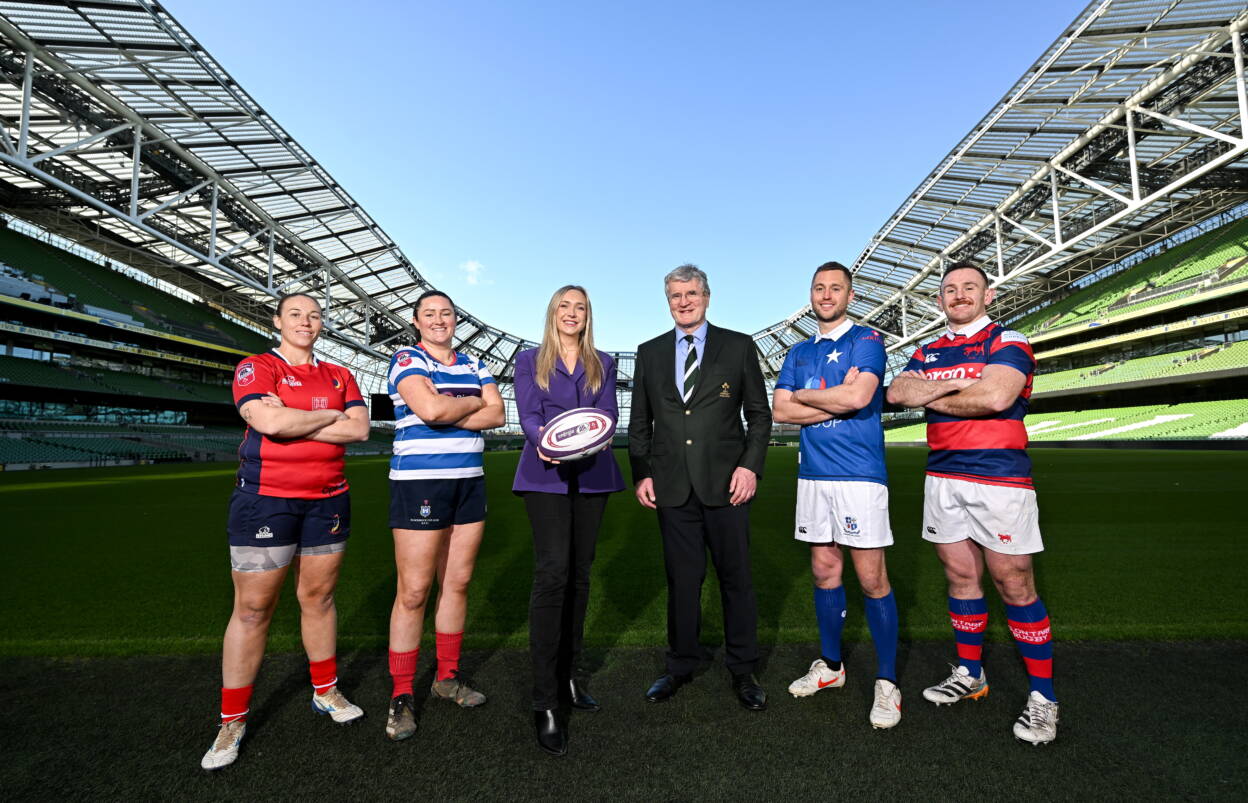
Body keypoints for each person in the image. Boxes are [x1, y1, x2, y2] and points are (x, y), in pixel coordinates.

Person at [885, 261, 1058, 745]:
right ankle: (970, 673)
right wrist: (964, 386)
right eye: (949, 290)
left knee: (1014, 581)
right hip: (942, 477)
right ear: (940, 300)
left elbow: (998, 397)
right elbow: (898, 391)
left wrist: (933, 390)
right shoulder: (928, 348)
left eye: (969, 288)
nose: (959, 295)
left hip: (1000, 479)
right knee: (961, 577)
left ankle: (1043, 698)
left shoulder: (1010, 340)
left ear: (988, 295)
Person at [201, 292, 371, 771]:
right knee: (254, 610)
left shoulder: (340, 374)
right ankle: (232, 719)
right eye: (295, 313)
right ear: (278, 321)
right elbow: (268, 421)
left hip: (329, 499)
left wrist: (296, 423)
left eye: (314, 315)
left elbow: (359, 431)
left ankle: (326, 691)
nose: (305, 321)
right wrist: (327, 416)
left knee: (318, 598)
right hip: (265, 501)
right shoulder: (257, 367)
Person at [628, 263, 771, 710]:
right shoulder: (649, 352)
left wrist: (749, 468)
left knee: (736, 580)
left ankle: (743, 669)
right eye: (675, 295)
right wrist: (643, 473)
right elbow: (639, 424)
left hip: (728, 486)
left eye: (691, 294)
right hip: (672, 487)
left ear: (707, 297)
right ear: (667, 300)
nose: (683, 302)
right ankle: (679, 665)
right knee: (682, 582)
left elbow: (760, 416)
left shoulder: (738, 346)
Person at [771, 261, 901, 729]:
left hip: (859, 476)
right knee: (825, 570)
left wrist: (806, 397)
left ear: (849, 294)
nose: (826, 295)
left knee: (871, 579)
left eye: (836, 288)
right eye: (819, 288)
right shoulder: (798, 351)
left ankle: (887, 682)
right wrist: (830, 396)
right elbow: (779, 410)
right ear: (811, 295)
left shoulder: (866, 340)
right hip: (814, 477)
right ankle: (830, 667)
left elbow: (859, 399)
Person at [384, 290, 505, 742]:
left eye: (446, 313)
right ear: (416, 321)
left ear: (456, 320)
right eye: (429, 314)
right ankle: (400, 695)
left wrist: (450, 406)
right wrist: (471, 403)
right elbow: (430, 408)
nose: (439, 320)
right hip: (420, 484)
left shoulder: (474, 363)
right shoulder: (406, 357)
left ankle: (446, 677)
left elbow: (500, 414)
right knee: (414, 591)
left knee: (456, 583)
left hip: (469, 482)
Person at [512, 285, 625, 756]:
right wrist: (553, 443)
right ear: (552, 313)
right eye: (564, 306)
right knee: (553, 574)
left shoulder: (604, 361)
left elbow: (608, 415)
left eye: (580, 307)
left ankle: (571, 677)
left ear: (588, 315)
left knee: (580, 577)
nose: (572, 313)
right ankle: (546, 701)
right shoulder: (528, 360)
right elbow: (530, 415)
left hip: (594, 476)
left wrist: (586, 442)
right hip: (545, 476)